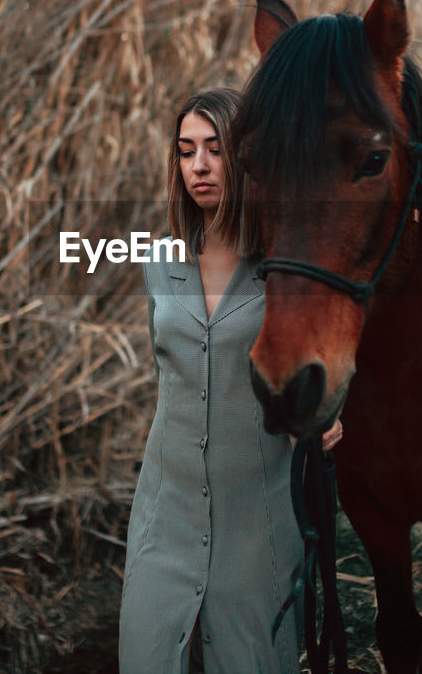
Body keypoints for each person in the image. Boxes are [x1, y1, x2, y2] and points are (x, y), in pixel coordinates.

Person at [119, 87, 343, 673]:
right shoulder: (158, 260)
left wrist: (330, 417)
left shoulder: (282, 267)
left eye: (214, 149)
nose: (198, 165)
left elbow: (320, 362)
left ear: (244, 158)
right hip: (165, 509)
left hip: (257, 520)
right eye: (186, 150)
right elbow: (170, 370)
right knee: (144, 657)